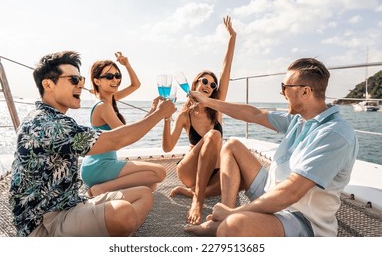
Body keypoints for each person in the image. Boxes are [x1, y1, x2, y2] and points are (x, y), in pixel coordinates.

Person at [9, 51, 176, 237]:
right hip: (44, 223)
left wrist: (154, 112)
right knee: (122, 212)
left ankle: (115, 234)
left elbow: (121, 132)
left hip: (69, 203)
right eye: (73, 79)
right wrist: (159, 114)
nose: (81, 84)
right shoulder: (47, 124)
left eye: (80, 79)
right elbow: (117, 139)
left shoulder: (54, 118)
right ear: (48, 84)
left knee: (144, 193)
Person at [185, 57, 358, 237]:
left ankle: (226, 221)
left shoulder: (334, 134)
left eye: (285, 87)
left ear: (305, 92)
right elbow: (255, 113)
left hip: (301, 218)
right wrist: (208, 102)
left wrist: (235, 214)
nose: (282, 93)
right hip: (271, 193)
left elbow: (292, 192)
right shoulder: (300, 119)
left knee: (233, 226)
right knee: (232, 146)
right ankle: (220, 221)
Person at [162, 16, 236, 225]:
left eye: (212, 85)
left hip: (212, 172)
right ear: (195, 82)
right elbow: (168, 148)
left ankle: (193, 191)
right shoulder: (184, 115)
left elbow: (226, 69)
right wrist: (166, 117)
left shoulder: (216, 108)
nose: (208, 86)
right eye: (204, 81)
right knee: (213, 135)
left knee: (240, 179)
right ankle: (197, 198)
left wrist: (232, 37)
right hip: (189, 170)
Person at [81, 52, 166, 196]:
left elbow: (135, 85)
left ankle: (106, 189)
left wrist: (127, 65)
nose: (115, 79)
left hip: (100, 164)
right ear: (97, 81)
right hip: (99, 166)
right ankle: (100, 189)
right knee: (160, 172)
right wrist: (158, 114)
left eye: (117, 75)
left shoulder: (110, 99)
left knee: (151, 184)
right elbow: (126, 136)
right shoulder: (102, 106)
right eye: (109, 76)